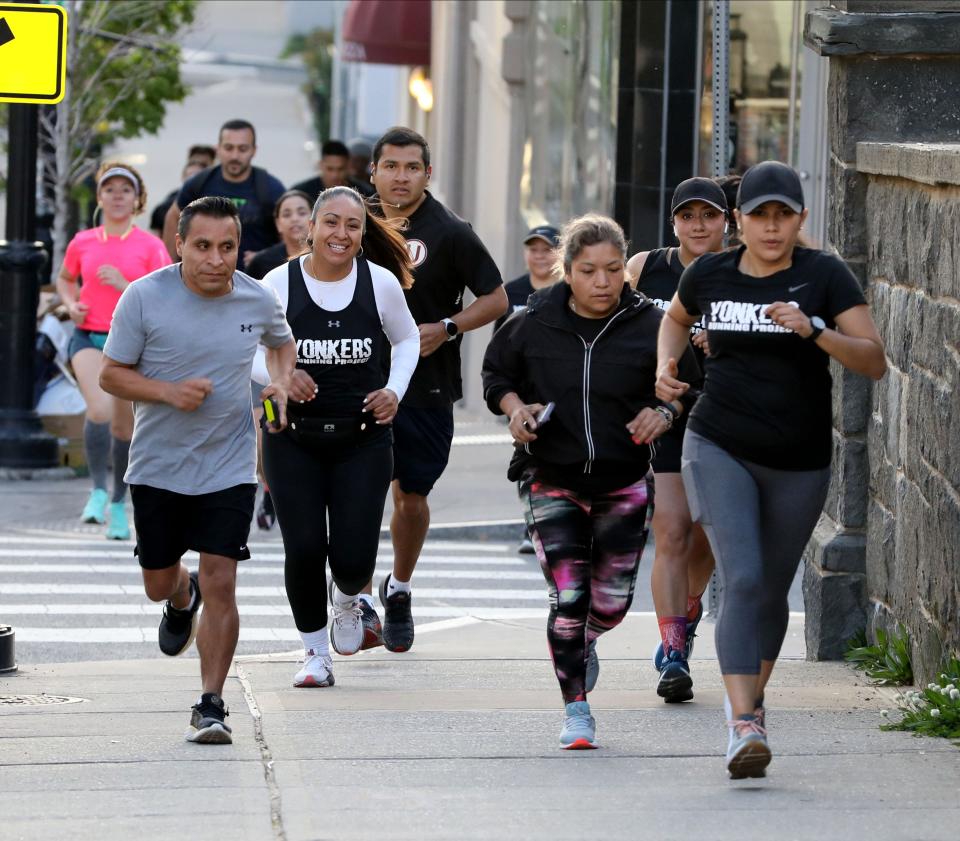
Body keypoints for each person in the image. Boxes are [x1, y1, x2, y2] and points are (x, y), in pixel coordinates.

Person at [656, 161, 886, 778]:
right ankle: (741, 724)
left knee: (772, 586)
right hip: (717, 444)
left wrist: (815, 331)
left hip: (799, 458)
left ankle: (753, 704)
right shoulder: (711, 273)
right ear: (740, 221)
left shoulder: (824, 276)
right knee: (746, 576)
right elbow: (675, 318)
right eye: (760, 215)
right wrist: (665, 368)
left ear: (801, 218)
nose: (772, 226)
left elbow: (873, 360)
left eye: (784, 214)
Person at [482, 214, 698, 750]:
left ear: (625, 269)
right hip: (550, 476)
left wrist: (663, 413)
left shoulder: (652, 325)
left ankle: (586, 638)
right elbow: (496, 378)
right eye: (587, 271)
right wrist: (515, 409)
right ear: (567, 271)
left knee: (610, 604)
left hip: (623, 480)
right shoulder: (534, 320)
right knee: (569, 597)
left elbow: (691, 383)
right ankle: (576, 709)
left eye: (611, 270)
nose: (602, 282)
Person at [100, 196, 300, 744]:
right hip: (158, 465)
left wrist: (279, 384)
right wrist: (167, 392)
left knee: (224, 580)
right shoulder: (144, 298)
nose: (216, 259)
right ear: (180, 245)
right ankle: (178, 595)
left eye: (228, 247)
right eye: (204, 247)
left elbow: (282, 347)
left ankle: (211, 703)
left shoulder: (256, 297)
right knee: (157, 583)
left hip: (230, 462)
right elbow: (112, 376)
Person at [255, 186, 419, 686]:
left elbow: (408, 338)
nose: (340, 234)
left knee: (353, 559)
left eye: (352, 225)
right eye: (331, 222)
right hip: (291, 435)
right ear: (311, 227)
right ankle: (313, 654)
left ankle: (348, 597)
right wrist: (277, 379)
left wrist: (394, 388)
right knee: (303, 547)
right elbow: (244, 347)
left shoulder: (381, 283)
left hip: (362, 437)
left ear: (363, 234)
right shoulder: (277, 284)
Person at [365, 126, 507, 652]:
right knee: (355, 490)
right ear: (373, 171)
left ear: (428, 173)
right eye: (391, 166)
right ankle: (355, 599)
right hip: (355, 377)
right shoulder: (348, 219)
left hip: (425, 385)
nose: (400, 177)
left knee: (411, 496)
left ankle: (398, 588)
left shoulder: (450, 231)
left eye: (411, 167)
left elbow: (496, 299)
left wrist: (447, 327)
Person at [625, 177, 727, 703]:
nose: (698, 226)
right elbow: (614, 318)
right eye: (688, 216)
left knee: (706, 534)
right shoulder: (647, 267)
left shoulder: (741, 271)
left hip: (725, 413)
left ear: (726, 221)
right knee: (671, 529)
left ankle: (688, 610)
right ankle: (673, 651)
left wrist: (725, 339)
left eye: (708, 216)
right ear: (674, 223)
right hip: (665, 413)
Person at [56, 162, 171, 539]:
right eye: (110, 189)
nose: (117, 196)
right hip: (87, 336)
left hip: (130, 346)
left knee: (124, 426)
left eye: (125, 190)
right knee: (99, 409)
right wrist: (71, 305)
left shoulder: (151, 246)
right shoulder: (83, 241)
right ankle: (97, 492)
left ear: (137, 199)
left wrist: (126, 284)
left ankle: (119, 504)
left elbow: (165, 293)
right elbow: (65, 278)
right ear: (100, 196)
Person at [493, 224, 562, 554]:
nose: (539, 255)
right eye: (533, 248)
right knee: (529, 458)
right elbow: (499, 346)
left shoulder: (568, 292)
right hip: (522, 394)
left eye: (546, 249)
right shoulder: (513, 292)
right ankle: (532, 525)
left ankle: (547, 524)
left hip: (557, 387)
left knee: (556, 458)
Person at [162, 119, 285, 271]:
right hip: (204, 279)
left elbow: (290, 234)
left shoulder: (271, 188)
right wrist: (170, 268)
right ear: (218, 149)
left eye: (242, 149)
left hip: (257, 282)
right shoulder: (199, 183)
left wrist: (266, 257)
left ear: (254, 150)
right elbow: (173, 217)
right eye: (228, 148)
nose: (235, 156)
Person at [244, 190, 313, 280]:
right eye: (287, 215)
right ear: (278, 224)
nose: (294, 219)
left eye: (302, 213)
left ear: (314, 219)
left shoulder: (327, 257)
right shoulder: (261, 262)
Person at [149, 145, 216, 237]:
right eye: (190, 178)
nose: (192, 183)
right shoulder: (165, 208)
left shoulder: (217, 204)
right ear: (183, 176)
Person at [292, 139, 375, 201]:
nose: (335, 175)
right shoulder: (301, 193)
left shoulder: (365, 195)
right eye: (330, 169)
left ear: (348, 166)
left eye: (340, 169)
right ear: (321, 165)